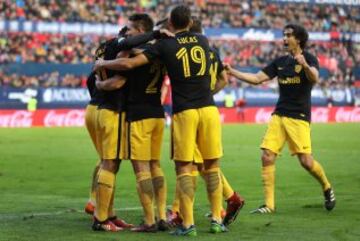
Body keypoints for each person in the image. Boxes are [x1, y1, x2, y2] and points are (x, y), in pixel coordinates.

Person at [94, 5, 238, 236]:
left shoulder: (161, 47)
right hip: (203, 109)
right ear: (190, 23)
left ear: (169, 24)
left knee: (176, 167)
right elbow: (221, 76)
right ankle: (215, 220)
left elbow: (129, 65)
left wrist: (103, 64)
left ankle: (178, 223)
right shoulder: (203, 41)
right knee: (210, 166)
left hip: (165, 112)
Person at [224, 24, 336, 214]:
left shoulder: (309, 58)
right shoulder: (280, 61)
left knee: (306, 162)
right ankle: (269, 205)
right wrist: (232, 71)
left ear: (298, 39)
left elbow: (315, 77)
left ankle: (327, 188)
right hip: (279, 114)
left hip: (299, 116)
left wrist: (305, 65)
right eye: (283, 35)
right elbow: (257, 78)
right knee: (267, 155)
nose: (284, 38)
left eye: (288, 35)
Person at [167, 16, 244, 228]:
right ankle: (227, 201)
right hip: (206, 107)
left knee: (186, 163)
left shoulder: (178, 48)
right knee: (205, 163)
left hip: (188, 109)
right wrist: (207, 92)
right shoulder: (211, 50)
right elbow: (223, 79)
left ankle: (180, 213)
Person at [121, 13, 169, 232]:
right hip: (157, 114)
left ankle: (149, 221)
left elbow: (125, 52)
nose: (127, 31)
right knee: (155, 165)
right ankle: (161, 216)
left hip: (139, 114)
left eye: (130, 28)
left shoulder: (139, 52)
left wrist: (103, 62)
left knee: (141, 169)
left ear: (141, 30)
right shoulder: (162, 54)